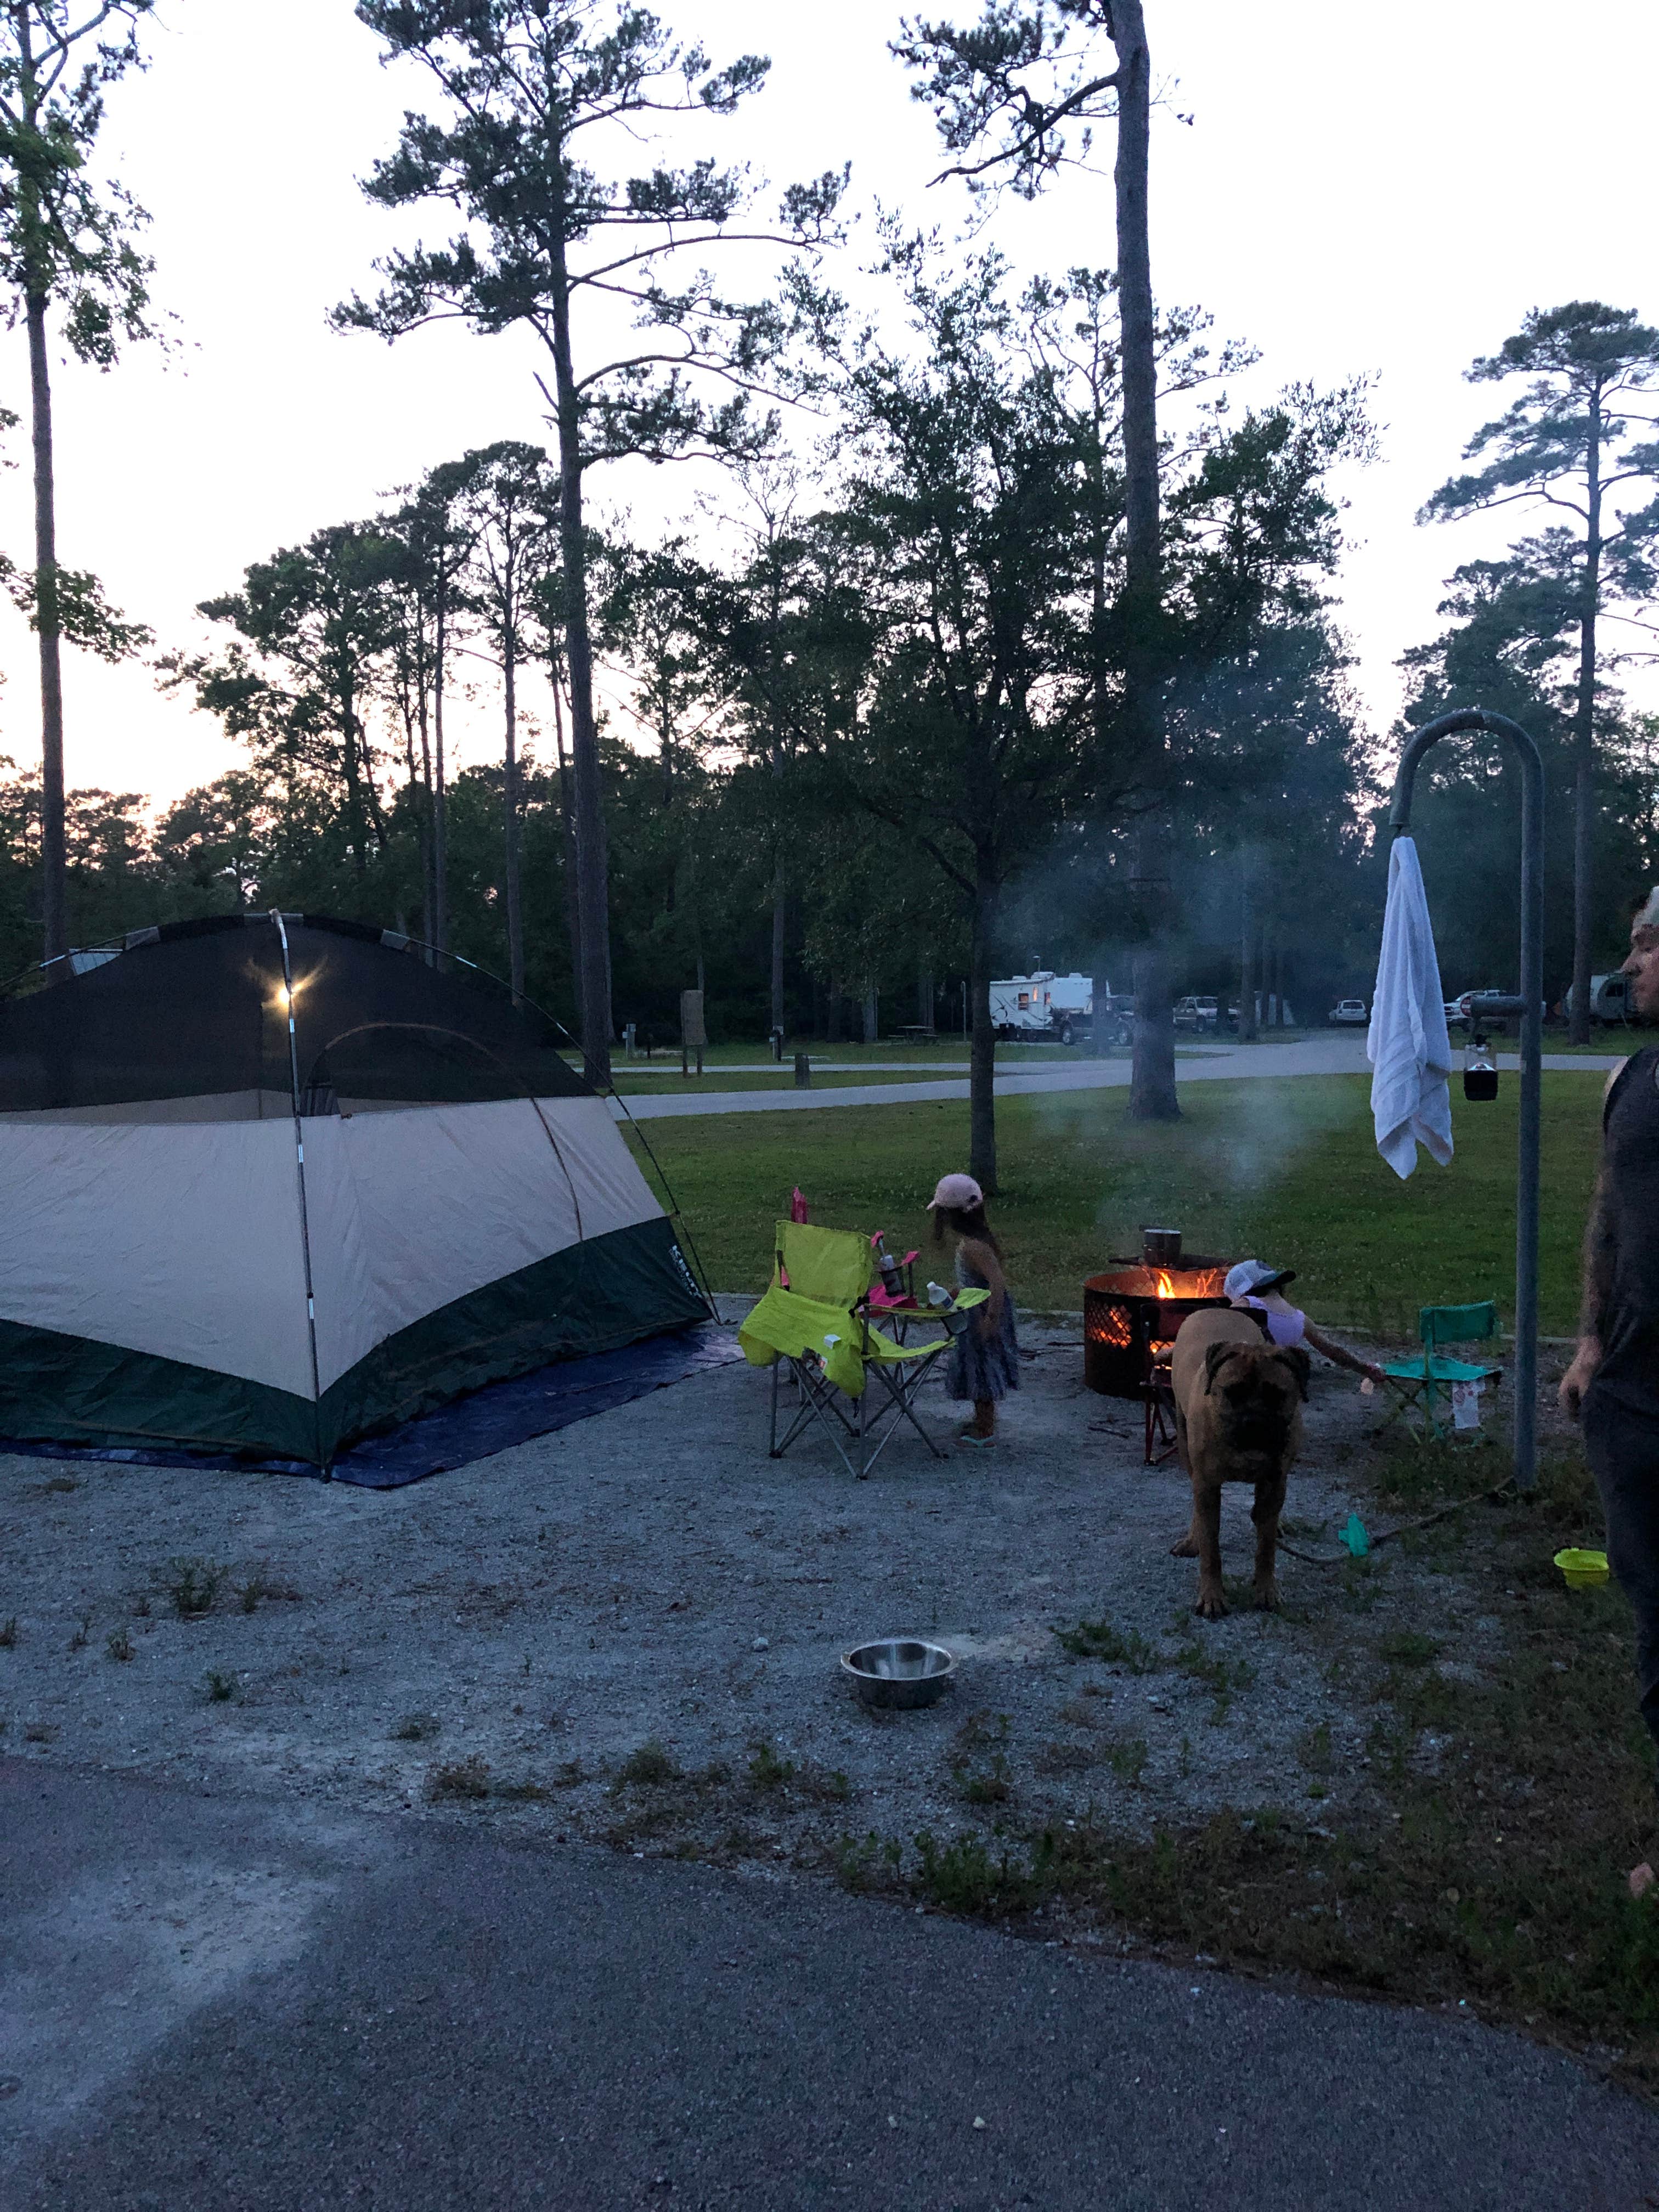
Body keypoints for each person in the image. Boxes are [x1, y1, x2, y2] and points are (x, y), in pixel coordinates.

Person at [1560, 887, 1659, 1883]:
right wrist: (1588, 1346)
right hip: (1632, 1396)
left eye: (1645, 943)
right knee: (1654, 1620)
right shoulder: (1629, 1077)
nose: (1628, 964)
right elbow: (1606, 1219)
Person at [928, 1172, 1018, 1446]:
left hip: (983, 1314)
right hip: (975, 1308)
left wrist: (990, 1320)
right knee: (977, 1364)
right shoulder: (973, 1243)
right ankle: (982, 1420)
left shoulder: (974, 1248)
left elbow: (997, 1284)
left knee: (983, 1367)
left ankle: (986, 1429)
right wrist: (957, 1292)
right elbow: (977, 1281)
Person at [1224, 1259, 1387, 1385]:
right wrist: (1365, 1369)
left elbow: (1220, 1331)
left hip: (1250, 1375)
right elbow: (1334, 1352)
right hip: (1281, 1379)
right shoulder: (1301, 1319)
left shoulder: (1247, 1304)